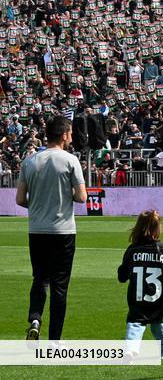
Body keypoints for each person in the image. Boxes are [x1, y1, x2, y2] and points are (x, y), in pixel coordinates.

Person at [15, 115, 87, 341]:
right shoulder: (70, 160)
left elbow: (19, 199)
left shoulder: (29, 161)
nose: (72, 137)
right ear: (64, 135)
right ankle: (54, 339)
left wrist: (37, 204)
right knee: (59, 286)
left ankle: (35, 319)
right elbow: (82, 197)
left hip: (37, 230)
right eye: (71, 133)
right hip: (63, 231)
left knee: (39, 279)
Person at [117, 210, 163, 361]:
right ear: (157, 228)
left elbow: (122, 276)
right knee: (159, 325)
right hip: (157, 300)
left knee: (134, 323)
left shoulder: (132, 250)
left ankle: (130, 350)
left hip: (136, 298)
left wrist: (122, 272)